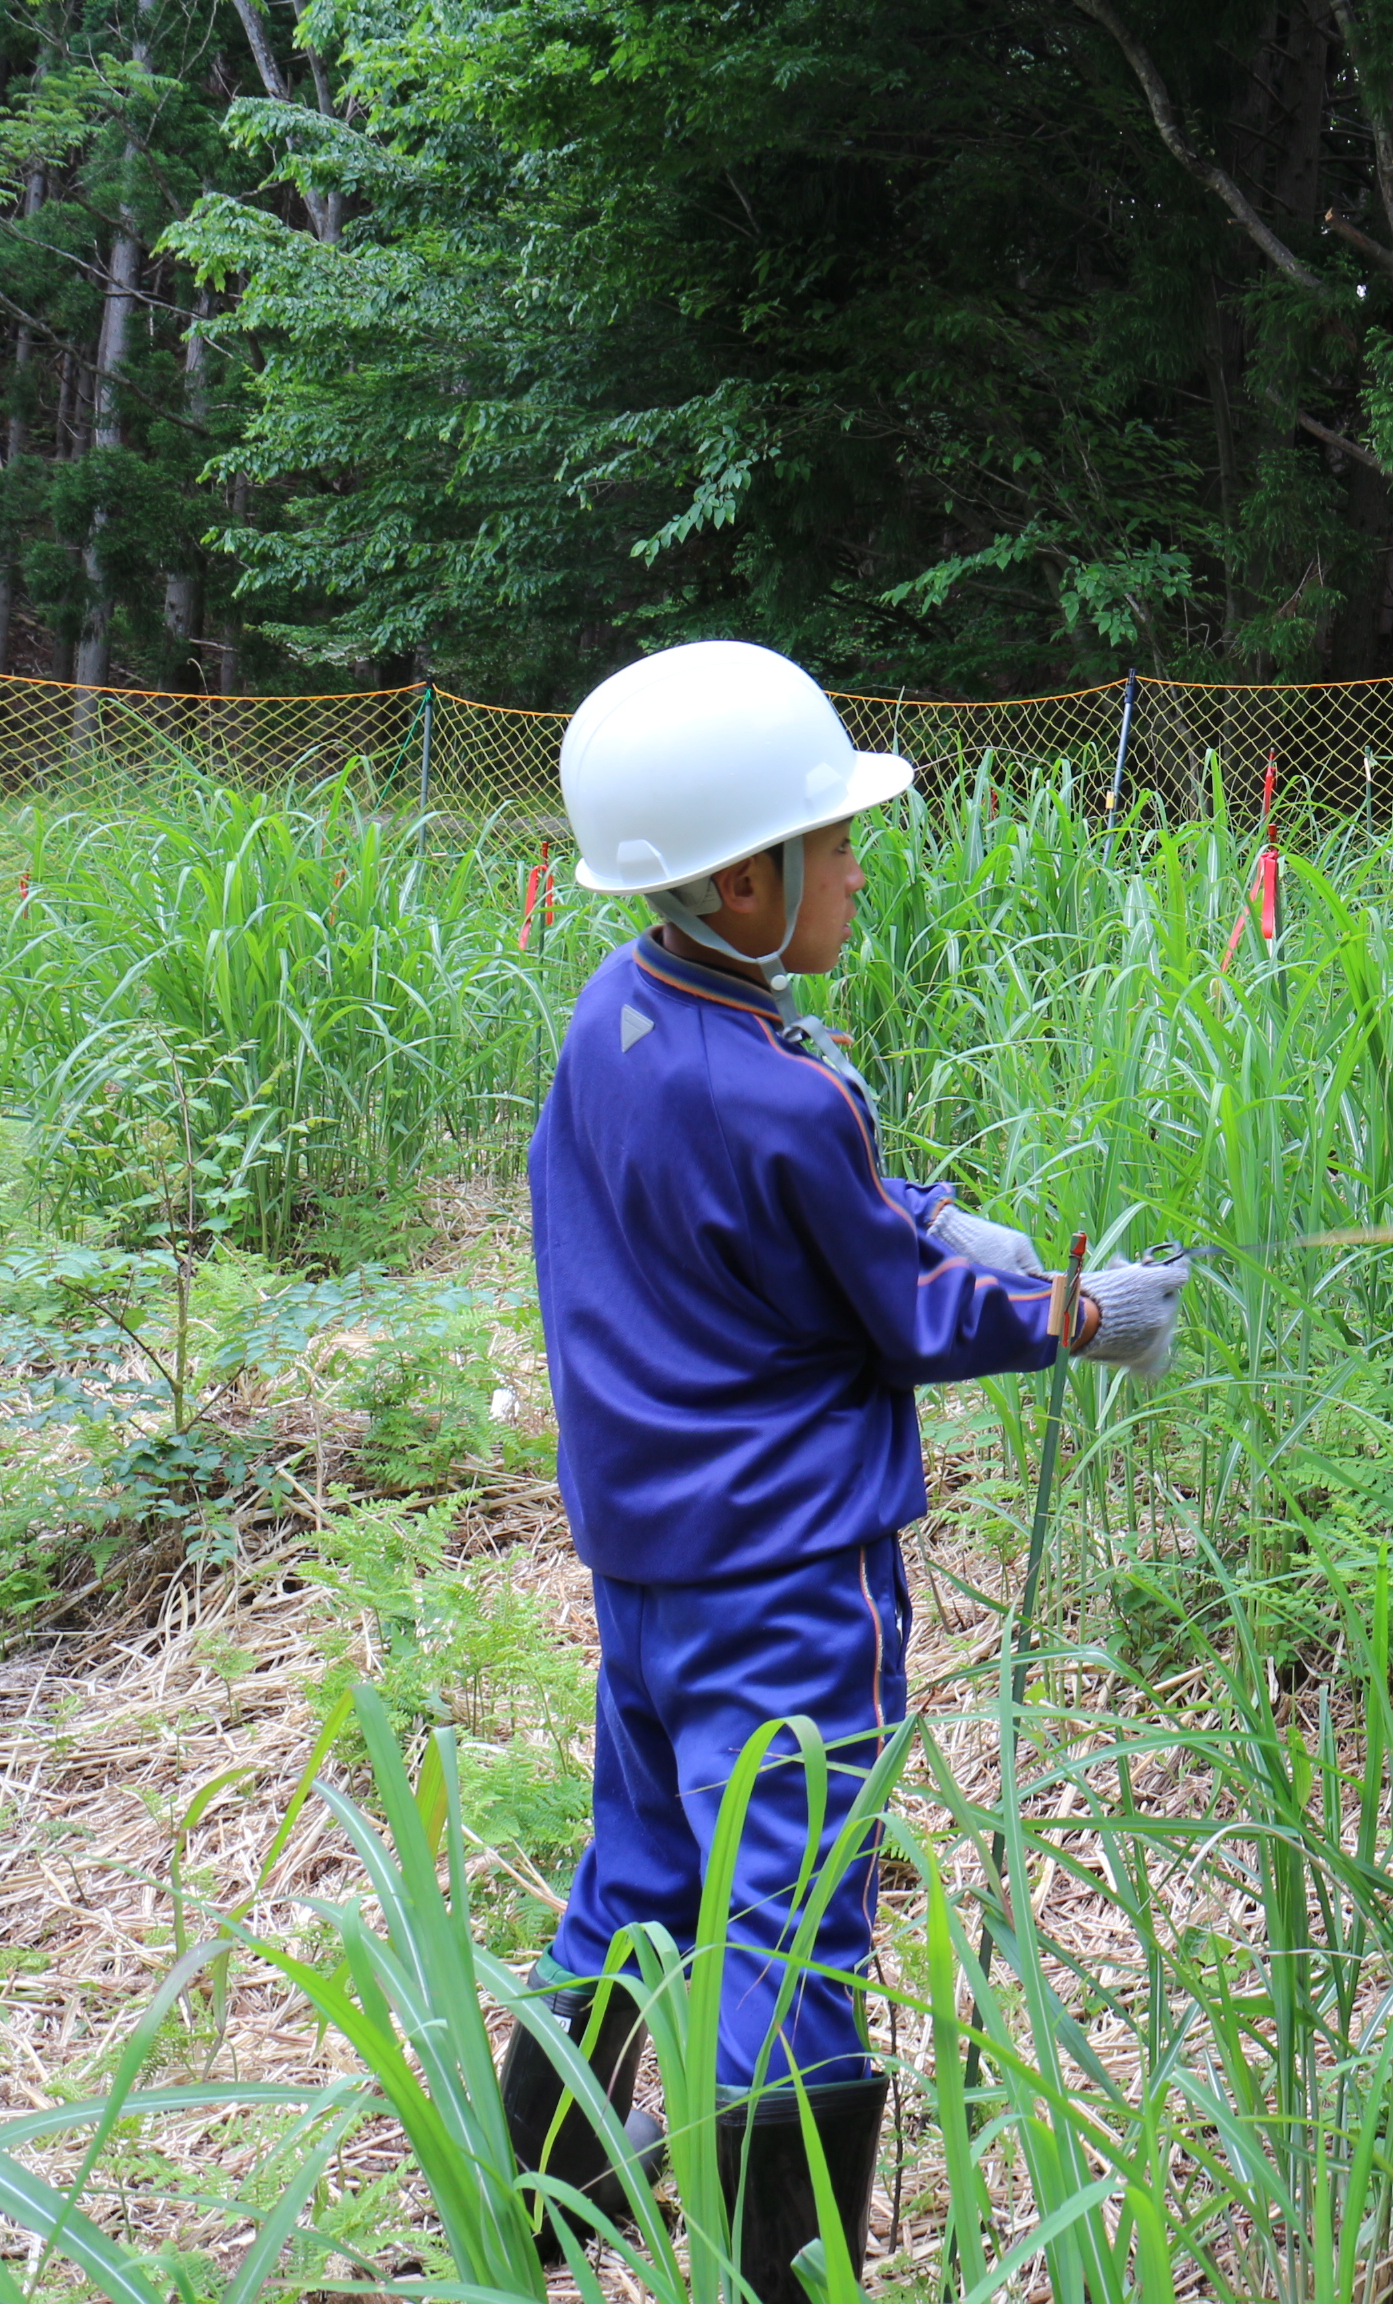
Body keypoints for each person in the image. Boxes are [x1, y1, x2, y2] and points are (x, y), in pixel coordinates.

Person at [504, 640, 1193, 2293]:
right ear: (745, 883)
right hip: (796, 1575)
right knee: (793, 1918)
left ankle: (532, 2219)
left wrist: (917, 1211)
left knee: (638, 1879)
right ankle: (784, 2276)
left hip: (651, 1564)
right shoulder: (788, 1094)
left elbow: (752, 1235)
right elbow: (902, 1316)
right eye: (835, 843)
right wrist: (1077, 1308)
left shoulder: (617, 1015)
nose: (858, 867)